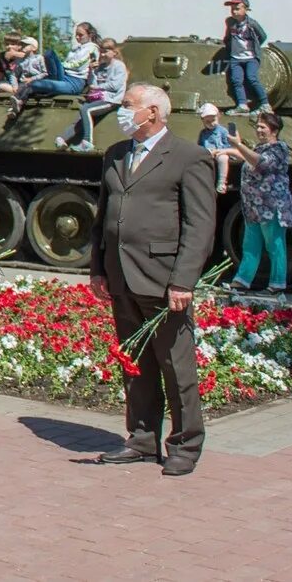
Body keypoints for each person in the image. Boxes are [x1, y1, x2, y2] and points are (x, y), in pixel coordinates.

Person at [89, 83, 215, 476]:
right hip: (122, 277)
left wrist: (183, 281)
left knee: (176, 366)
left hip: (163, 281)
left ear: (154, 113)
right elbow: (103, 216)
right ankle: (142, 439)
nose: (122, 112)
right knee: (136, 365)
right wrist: (98, 267)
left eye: (128, 106)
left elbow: (200, 226)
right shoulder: (115, 154)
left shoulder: (189, 157)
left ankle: (185, 444)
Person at [226, 112, 290, 294]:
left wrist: (238, 145)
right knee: (250, 245)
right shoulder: (259, 148)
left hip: (272, 207)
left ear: (274, 130)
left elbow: (262, 164)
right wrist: (227, 149)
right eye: (258, 126)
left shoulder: (279, 148)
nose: (259, 130)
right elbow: (247, 158)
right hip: (253, 207)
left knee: (274, 245)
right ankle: (242, 280)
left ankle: (277, 284)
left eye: (263, 127)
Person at [57, 38, 128, 152]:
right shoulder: (100, 66)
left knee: (86, 110)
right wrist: (92, 72)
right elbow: (92, 84)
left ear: (114, 52)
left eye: (106, 51)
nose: (103, 54)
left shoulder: (119, 66)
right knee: (81, 118)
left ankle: (87, 142)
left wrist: (99, 87)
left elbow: (115, 86)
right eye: (102, 51)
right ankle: (62, 139)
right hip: (99, 98)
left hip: (112, 99)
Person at [15, 22, 97, 107]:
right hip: (64, 75)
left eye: (80, 35)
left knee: (34, 84)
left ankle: (20, 101)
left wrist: (63, 65)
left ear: (90, 35)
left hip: (74, 82)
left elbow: (78, 64)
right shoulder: (76, 48)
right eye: (76, 34)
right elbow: (67, 61)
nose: (77, 37)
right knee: (49, 53)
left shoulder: (92, 48)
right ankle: (19, 100)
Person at [218, 0, 269, 113]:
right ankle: (242, 104)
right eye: (232, 9)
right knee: (236, 81)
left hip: (251, 57)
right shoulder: (230, 22)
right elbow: (228, 36)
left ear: (246, 9)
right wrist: (228, 44)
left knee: (252, 78)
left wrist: (254, 46)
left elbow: (263, 36)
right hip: (236, 58)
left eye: (237, 9)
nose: (234, 12)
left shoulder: (252, 24)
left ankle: (265, 103)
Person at [195, 102, 237, 195]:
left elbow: (228, 145)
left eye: (213, 120)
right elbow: (200, 145)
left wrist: (220, 151)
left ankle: (222, 182)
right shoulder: (203, 133)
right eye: (207, 122)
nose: (211, 124)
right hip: (208, 153)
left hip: (220, 152)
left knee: (223, 158)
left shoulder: (222, 131)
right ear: (203, 121)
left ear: (218, 117)